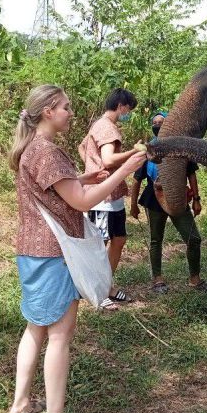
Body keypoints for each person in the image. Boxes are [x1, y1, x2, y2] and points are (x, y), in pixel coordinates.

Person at [6, 84, 146, 413]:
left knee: (36, 329)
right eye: (66, 107)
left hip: (32, 251)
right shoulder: (47, 152)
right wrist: (124, 171)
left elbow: (54, 187)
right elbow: (82, 201)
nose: (72, 113)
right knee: (59, 336)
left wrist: (83, 176)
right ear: (50, 111)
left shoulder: (32, 148)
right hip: (54, 255)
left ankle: (21, 404)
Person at [130, 111, 207, 294]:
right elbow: (137, 179)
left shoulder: (180, 147)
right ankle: (157, 279)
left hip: (178, 195)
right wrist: (133, 204)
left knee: (193, 238)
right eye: (155, 122)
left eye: (162, 122)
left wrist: (197, 200)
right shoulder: (149, 150)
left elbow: (191, 174)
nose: (158, 125)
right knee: (155, 240)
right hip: (154, 197)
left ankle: (195, 279)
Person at [79, 87, 140, 307]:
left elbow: (82, 148)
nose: (128, 113)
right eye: (129, 109)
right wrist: (134, 152)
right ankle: (98, 290)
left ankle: (106, 285)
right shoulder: (107, 128)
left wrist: (90, 167)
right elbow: (108, 160)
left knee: (119, 240)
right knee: (101, 244)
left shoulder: (98, 124)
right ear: (121, 105)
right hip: (102, 199)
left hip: (110, 195)